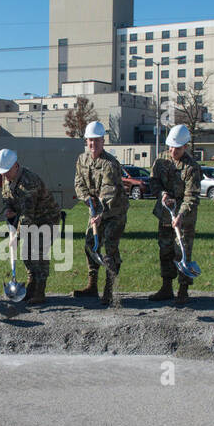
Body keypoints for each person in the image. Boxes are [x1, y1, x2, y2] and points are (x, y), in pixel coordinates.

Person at [73, 121, 128, 307]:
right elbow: (78, 183)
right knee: (90, 244)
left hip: (114, 212)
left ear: (103, 142)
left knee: (110, 249)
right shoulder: (82, 160)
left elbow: (108, 192)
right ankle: (92, 285)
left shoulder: (109, 164)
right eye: (89, 141)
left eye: (96, 141)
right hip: (95, 209)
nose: (92, 145)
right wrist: (87, 198)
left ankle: (110, 290)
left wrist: (100, 212)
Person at [148, 124, 203, 304]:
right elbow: (153, 182)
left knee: (182, 251)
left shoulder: (192, 168)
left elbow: (192, 196)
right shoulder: (161, 160)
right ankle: (166, 287)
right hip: (165, 214)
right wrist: (162, 194)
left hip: (184, 218)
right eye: (171, 147)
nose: (173, 151)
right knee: (165, 250)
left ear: (185, 147)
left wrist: (180, 215)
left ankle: (183, 289)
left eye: (177, 148)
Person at [0, 148, 60, 305]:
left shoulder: (28, 183)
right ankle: (31, 285)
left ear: (16, 166)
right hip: (30, 219)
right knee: (27, 254)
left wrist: (16, 238)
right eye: (2, 172)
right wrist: (8, 211)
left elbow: (27, 216)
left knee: (38, 253)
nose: (4, 175)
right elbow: (6, 199)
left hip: (46, 220)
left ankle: (39, 291)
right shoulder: (7, 179)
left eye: (6, 171)